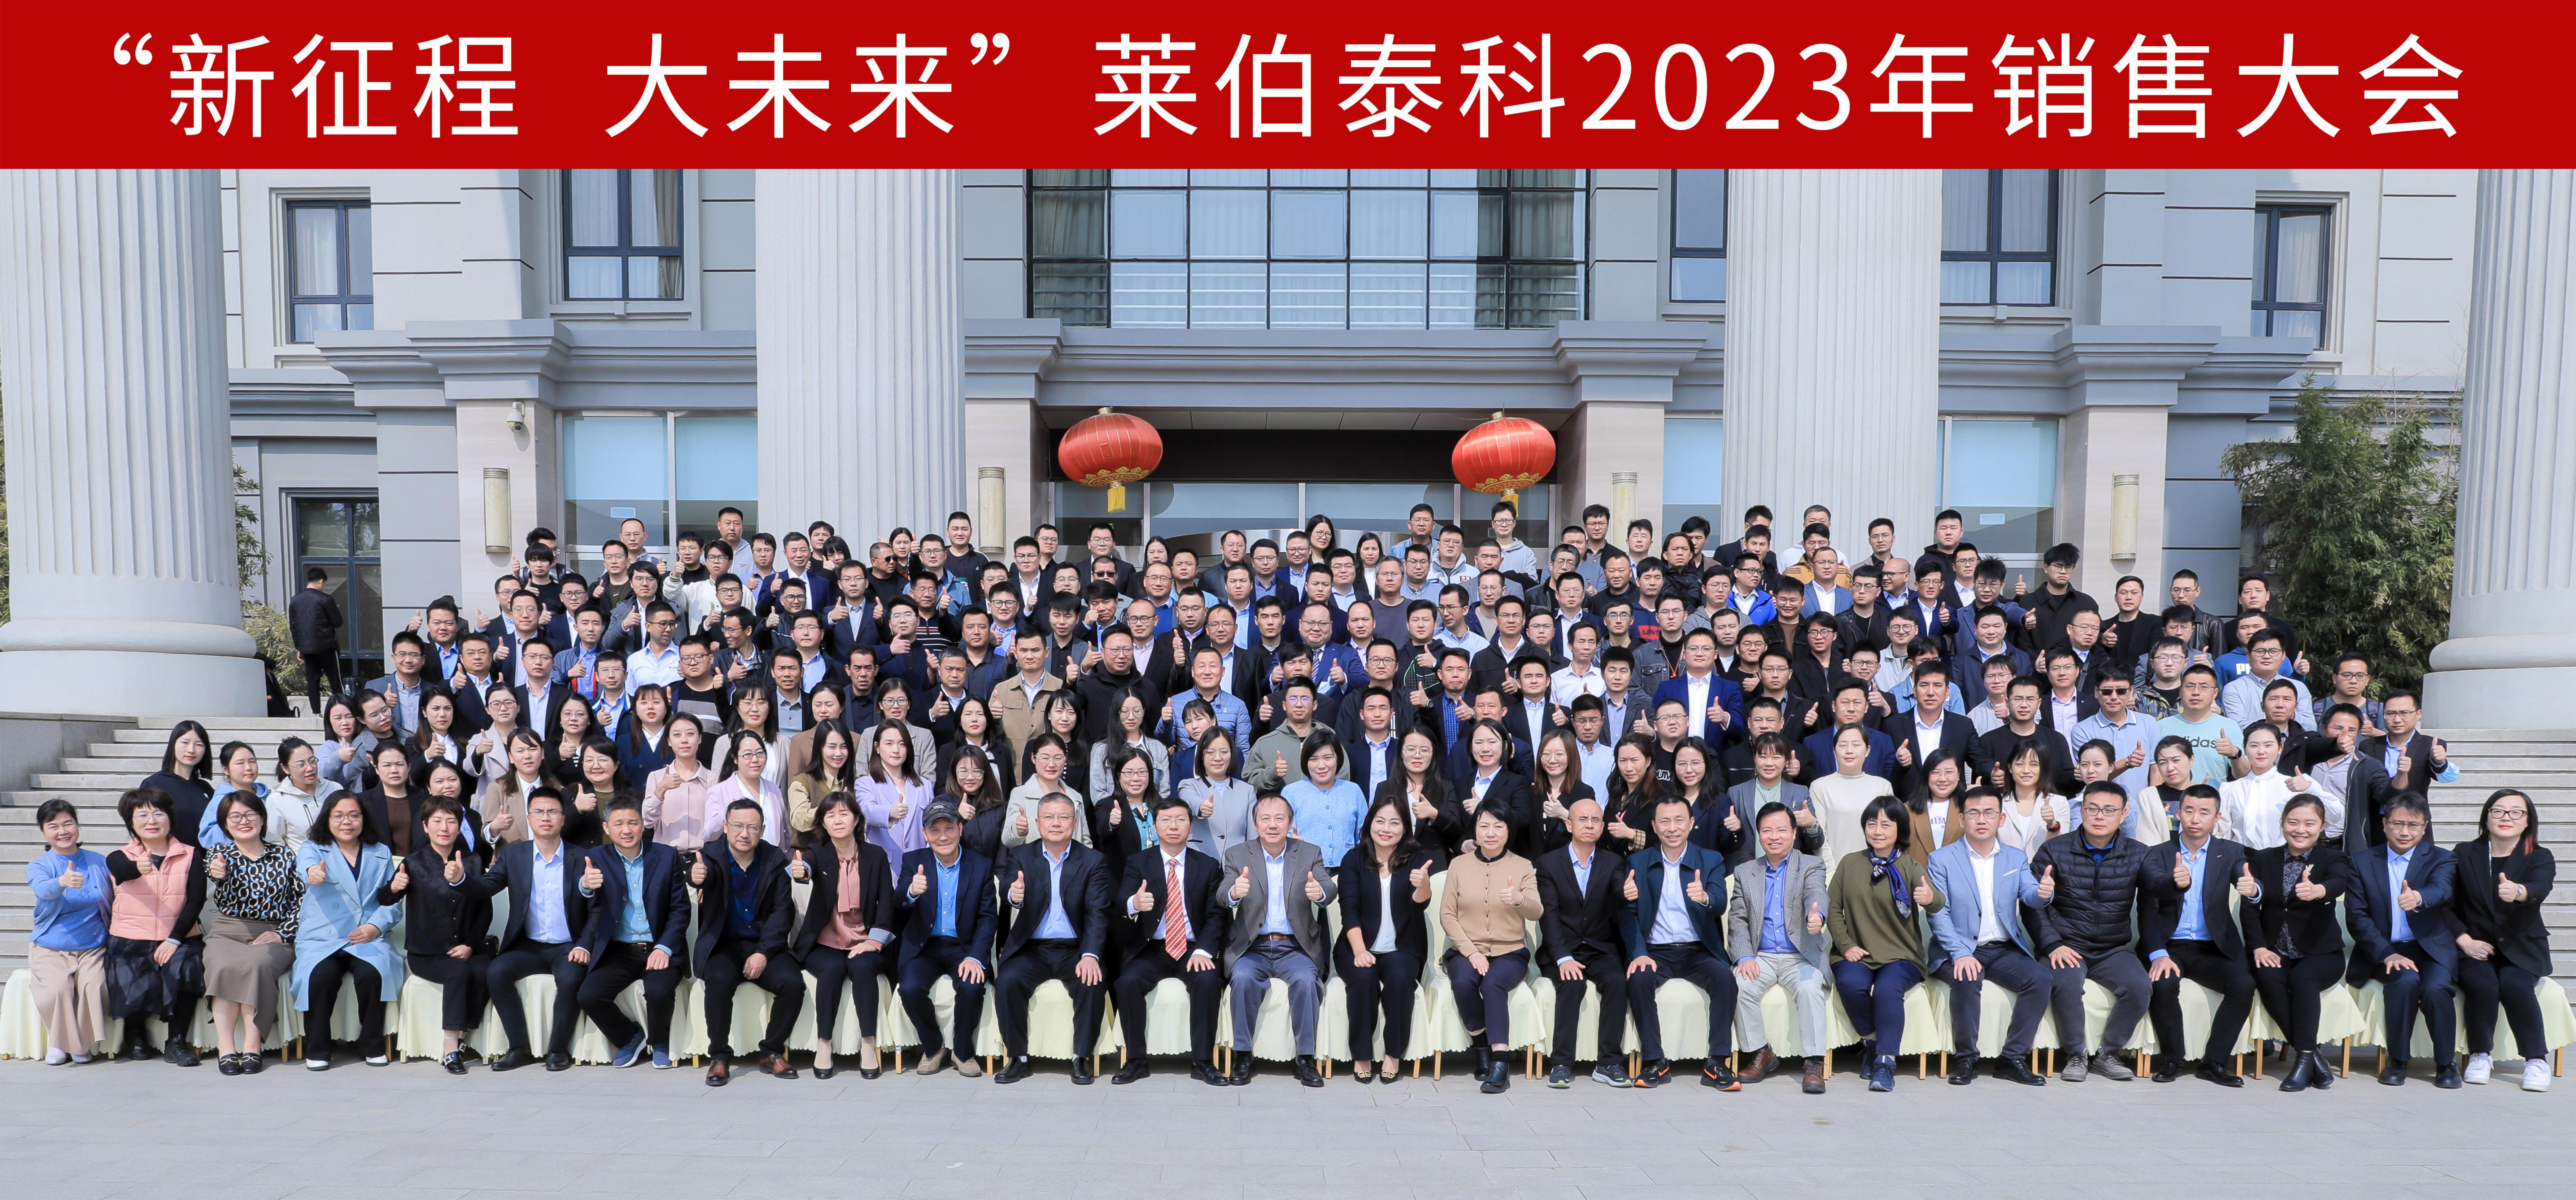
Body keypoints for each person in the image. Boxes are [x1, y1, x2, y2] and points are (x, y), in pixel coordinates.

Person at [462, 787, 597, 1072]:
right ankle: (519, 1048)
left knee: (572, 979)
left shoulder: (583, 857)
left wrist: (584, 944)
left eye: (553, 812)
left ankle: (558, 1050)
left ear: (563, 818)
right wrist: (462, 880)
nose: (545, 817)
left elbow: (598, 909)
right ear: (529, 817)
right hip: (529, 945)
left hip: (568, 945)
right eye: (539, 812)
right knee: (496, 972)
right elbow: (487, 886)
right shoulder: (514, 855)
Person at [2030, 780, 2157, 1083]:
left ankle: (2108, 1054)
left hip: (2112, 948)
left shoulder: (2138, 853)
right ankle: (2076, 1054)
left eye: (2109, 810)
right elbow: (2032, 906)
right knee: (2066, 984)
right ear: (2082, 811)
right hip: (2066, 943)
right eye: (2093, 809)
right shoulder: (2054, 849)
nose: (2100, 816)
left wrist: (2178, 883)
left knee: (2140, 987)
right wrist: (2052, 944)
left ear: (2123, 814)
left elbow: (2157, 885)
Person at [1925, 787, 2053, 1086]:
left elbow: (2030, 895)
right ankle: (1966, 1058)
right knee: (1967, 975)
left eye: (1989, 813)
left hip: (2003, 949)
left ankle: (2012, 1059)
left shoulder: (2015, 857)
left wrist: (2044, 893)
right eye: (1973, 813)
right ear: (1961, 819)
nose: (1981, 820)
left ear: (2001, 819)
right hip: (1958, 947)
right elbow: (1938, 913)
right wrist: (1960, 953)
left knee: (2040, 978)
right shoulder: (1941, 859)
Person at [1109, 795, 1233, 1086]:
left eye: (1180, 820)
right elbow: (1122, 899)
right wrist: (1135, 903)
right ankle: (1136, 1061)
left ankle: (1203, 1061)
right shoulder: (1139, 862)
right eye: (1166, 820)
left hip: (1193, 949)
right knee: (1127, 983)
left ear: (1191, 826)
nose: (1173, 826)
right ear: (1155, 826)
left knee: (1208, 982)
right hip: (1152, 948)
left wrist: (1204, 950)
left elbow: (1216, 916)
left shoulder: (1208, 865)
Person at [2140, 784, 2260, 1086]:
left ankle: (2214, 1062)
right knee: (2163, 984)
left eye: (2204, 812)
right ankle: (2171, 1060)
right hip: (2169, 946)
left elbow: (2246, 879)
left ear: (2216, 817)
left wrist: (2253, 890)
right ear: (2178, 813)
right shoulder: (2157, 854)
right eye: (2189, 810)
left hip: (2211, 948)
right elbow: (2147, 909)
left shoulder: (2230, 852)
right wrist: (2158, 954)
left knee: (2244, 984)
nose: (2195, 819)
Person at [1622, 793, 1742, 1091]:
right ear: (1654, 826)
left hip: (1698, 951)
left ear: (1691, 823)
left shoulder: (1710, 859)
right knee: (1638, 979)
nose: (1672, 828)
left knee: (1725, 979)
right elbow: (1628, 914)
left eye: (1679, 820)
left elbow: (1720, 902)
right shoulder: (1638, 861)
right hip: (1656, 951)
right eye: (1665, 822)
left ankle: (1717, 1062)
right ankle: (1655, 1062)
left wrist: (1704, 897)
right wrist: (1639, 953)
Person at [1219, 793, 1338, 1087]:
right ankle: (1243, 1055)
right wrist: (1235, 892)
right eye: (1265, 818)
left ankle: (1305, 1059)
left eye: (1279, 818)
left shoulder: (1309, 852)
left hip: (1295, 947)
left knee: (1306, 981)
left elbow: (1328, 887)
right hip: (1252, 947)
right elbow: (1223, 893)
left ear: (1290, 823)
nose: (1272, 825)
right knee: (1243, 979)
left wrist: (1320, 894)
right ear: (1255, 824)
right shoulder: (1237, 854)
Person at [995, 793, 1113, 1084]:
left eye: (1063, 817)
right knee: (1008, 980)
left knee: (1091, 981)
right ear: (1038, 823)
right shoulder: (1022, 855)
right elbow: (1009, 886)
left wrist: (1090, 955)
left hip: (1075, 948)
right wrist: (1014, 895)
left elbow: (1097, 912)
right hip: (1031, 948)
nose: (1056, 823)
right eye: (1049, 817)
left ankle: (1081, 1056)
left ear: (1075, 822)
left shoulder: (1093, 860)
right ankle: (1018, 1058)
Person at [2345, 792, 2461, 1087]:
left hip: (2430, 949)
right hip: (2386, 949)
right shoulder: (2361, 861)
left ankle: (2446, 1064)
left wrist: (2419, 897)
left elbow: (2442, 889)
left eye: (2413, 825)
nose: (2404, 832)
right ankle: (2397, 1060)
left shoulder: (2442, 858)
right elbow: (2357, 917)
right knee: (2405, 981)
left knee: (2435, 989)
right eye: (2397, 824)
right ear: (2384, 824)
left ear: (2424, 827)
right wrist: (2386, 954)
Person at [1828, 796, 1943, 1092]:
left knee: (1887, 990)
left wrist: (1929, 898)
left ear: (1899, 829)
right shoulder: (1850, 863)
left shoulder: (1909, 865)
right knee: (1851, 984)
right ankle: (1872, 1041)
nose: (1878, 831)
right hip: (1858, 951)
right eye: (1872, 823)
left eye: (1886, 824)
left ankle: (1885, 1062)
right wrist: (1846, 945)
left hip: (1901, 955)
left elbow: (1937, 900)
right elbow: (1833, 909)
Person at [689, 798, 806, 1085]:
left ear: (762, 830)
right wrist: (696, 879)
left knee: (793, 984)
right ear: (725, 826)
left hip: (764, 945)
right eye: (738, 826)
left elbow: (783, 912)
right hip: (723, 945)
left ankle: (771, 1051)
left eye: (753, 828)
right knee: (718, 982)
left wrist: (763, 953)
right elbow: (702, 876)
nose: (745, 834)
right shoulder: (711, 857)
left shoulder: (774, 859)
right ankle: (719, 1057)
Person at [290, 791, 404, 1071]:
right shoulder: (314, 847)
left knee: (372, 974)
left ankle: (373, 1045)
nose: (347, 822)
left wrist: (375, 926)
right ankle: (318, 1049)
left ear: (364, 819)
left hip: (365, 935)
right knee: (320, 977)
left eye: (354, 815)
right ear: (327, 819)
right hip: (322, 937)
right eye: (339, 816)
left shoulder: (380, 852)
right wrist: (313, 874)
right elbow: (306, 867)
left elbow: (392, 899)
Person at [2451, 788, 2555, 1092]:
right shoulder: (2464, 853)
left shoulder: (2539, 856)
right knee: (2482, 984)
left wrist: (2519, 892)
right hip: (2475, 946)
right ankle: (2480, 1054)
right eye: (2498, 811)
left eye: (2515, 812)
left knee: (2514, 984)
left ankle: (2536, 1060)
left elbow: (2540, 887)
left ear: (2527, 821)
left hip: (2521, 947)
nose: (2506, 817)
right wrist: (2464, 940)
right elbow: (2446, 905)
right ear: (2487, 817)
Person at [378, 794, 491, 1074]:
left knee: (486, 971)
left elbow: (484, 911)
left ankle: (463, 1036)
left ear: (459, 827)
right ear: (425, 826)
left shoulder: (473, 861)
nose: (444, 827)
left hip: (465, 948)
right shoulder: (413, 863)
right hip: (427, 953)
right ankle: (450, 1048)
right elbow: (386, 899)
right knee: (458, 973)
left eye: (451, 821)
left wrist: (470, 945)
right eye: (437, 821)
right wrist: (394, 887)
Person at [1726, 801, 1834, 1093]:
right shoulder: (1746, 871)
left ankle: (1814, 1063)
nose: (1774, 836)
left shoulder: (1810, 865)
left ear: (1794, 832)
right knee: (1738, 984)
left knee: (1809, 989)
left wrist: (1817, 916)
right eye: (1767, 830)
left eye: (1781, 830)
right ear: (1758, 834)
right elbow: (1738, 919)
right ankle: (1761, 1053)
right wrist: (1745, 957)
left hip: (1800, 954)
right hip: (1761, 955)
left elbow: (1816, 894)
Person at [2244, 794, 2349, 1092]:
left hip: (2321, 953)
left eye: (2309, 823)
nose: (2300, 830)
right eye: (2293, 822)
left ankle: (2303, 1062)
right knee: (2266, 977)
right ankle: (2313, 1057)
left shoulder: (2333, 858)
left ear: (2322, 826)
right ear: (2283, 823)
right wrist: (2258, 947)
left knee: (2303, 978)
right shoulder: (2264, 858)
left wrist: (2319, 891)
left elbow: (2340, 881)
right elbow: (2250, 908)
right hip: (2275, 950)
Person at [100, 788, 209, 1065]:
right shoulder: (119, 856)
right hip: (130, 937)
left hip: (179, 936)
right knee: (133, 971)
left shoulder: (191, 855)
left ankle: (177, 1042)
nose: (152, 821)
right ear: (131, 822)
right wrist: (139, 867)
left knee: (187, 965)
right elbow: (122, 872)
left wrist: (174, 939)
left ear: (170, 817)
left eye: (159, 813)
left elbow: (195, 901)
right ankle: (135, 1034)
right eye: (142, 815)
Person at [1438, 805, 1542, 1095]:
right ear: (1475, 830)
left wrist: (1520, 899)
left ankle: (1500, 1064)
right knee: (1463, 981)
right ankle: (1481, 1046)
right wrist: (1472, 952)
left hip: (1510, 951)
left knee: (1493, 983)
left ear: (1509, 830)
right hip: (1466, 949)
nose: (1491, 833)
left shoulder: (1523, 866)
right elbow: (1447, 915)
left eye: (1498, 826)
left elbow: (1536, 911)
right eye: (1484, 826)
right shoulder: (1459, 865)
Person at [1337, 796, 1439, 1084]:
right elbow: (1349, 910)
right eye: (1380, 821)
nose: (1386, 828)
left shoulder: (1415, 859)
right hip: (1356, 946)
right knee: (1363, 979)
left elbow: (1419, 903)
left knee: (1400, 978)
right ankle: (1362, 1055)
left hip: (1402, 947)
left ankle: (1393, 1054)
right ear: (1369, 823)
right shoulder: (1354, 859)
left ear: (1405, 828)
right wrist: (1360, 951)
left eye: (1395, 823)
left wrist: (1424, 885)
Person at [202, 791, 305, 1074]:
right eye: (235, 816)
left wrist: (283, 933)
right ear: (225, 824)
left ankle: (252, 1044)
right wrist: (218, 872)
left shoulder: (284, 855)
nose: (244, 821)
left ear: (262, 819)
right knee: (223, 965)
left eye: (250, 814)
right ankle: (226, 1047)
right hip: (227, 932)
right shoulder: (219, 855)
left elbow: (302, 901)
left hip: (274, 934)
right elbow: (215, 872)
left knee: (256, 964)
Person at [794, 792, 895, 1079]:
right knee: (833, 968)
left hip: (866, 939)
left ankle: (868, 1044)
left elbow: (887, 902)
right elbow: (806, 868)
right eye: (830, 815)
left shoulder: (875, 855)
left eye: (844, 814)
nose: (837, 820)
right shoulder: (817, 852)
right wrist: (801, 871)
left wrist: (874, 942)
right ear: (823, 823)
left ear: (857, 819)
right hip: (825, 942)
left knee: (862, 969)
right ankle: (823, 1044)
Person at [895, 799, 998, 1079]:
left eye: (949, 828)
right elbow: (898, 901)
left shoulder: (981, 865)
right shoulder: (913, 861)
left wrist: (976, 956)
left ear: (960, 829)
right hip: (924, 947)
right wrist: (911, 892)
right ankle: (933, 1048)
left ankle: (963, 1052)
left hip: (963, 947)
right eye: (935, 830)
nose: (943, 837)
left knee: (972, 986)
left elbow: (988, 918)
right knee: (910, 988)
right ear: (925, 834)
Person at [1536, 796, 1633, 1088]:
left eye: (1595, 820)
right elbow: (1549, 916)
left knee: (1617, 981)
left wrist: (1627, 892)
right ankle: (1561, 1064)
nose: (1589, 825)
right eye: (1583, 819)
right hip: (1562, 949)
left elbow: (1618, 889)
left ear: (1602, 827)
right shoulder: (1548, 864)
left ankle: (1609, 1063)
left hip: (1600, 948)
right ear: (1569, 825)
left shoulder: (1613, 862)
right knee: (1573, 984)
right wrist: (1563, 957)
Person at [25, 799, 113, 1065]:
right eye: (53, 826)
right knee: (57, 988)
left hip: (93, 947)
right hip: (51, 947)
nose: (63, 831)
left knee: (95, 986)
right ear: (43, 831)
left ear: (77, 826)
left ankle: (79, 1043)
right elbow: (43, 889)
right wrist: (61, 882)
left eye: (68, 824)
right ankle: (60, 1043)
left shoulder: (99, 862)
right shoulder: (40, 866)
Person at [1808, 724, 1895, 866]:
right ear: (1834, 751)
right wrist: (1831, 871)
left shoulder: (1883, 786)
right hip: (1835, 870)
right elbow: (1820, 834)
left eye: (1856, 745)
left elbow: (1887, 832)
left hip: (1876, 868)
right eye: (1843, 745)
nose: (1849, 751)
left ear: (1868, 750)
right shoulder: (1820, 787)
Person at [1281, 730, 1368, 869]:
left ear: (1338, 759)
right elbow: (1284, 834)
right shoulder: (1291, 793)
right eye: (1314, 759)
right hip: (1306, 870)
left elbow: (1364, 835)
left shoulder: (1353, 791)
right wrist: (1290, 841)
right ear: (1306, 762)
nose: (1321, 765)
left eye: (1328, 758)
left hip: (1348, 870)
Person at [853, 720, 931, 864]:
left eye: (902, 744)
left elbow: (931, 825)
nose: (896, 750)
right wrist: (890, 813)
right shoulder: (866, 783)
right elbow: (867, 812)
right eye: (889, 744)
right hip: (884, 865)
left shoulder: (925, 785)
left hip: (919, 864)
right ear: (877, 747)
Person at [1179, 728, 1256, 857]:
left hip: (1237, 862)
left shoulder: (1247, 790)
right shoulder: (1189, 785)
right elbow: (1190, 799)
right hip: (1199, 860)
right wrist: (1201, 807)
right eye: (1210, 752)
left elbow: (1253, 835)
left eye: (1224, 752)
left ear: (1232, 755)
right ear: (1202, 756)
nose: (1218, 758)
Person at [140, 721, 215, 849]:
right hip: (170, 858)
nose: (191, 750)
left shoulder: (205, 788)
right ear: (173, 745)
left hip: (204, 858)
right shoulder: (154, 784)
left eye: (199, 745)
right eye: (185, 743)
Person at [785, 719, 856, 848]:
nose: (839, 753)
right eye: (832, 747)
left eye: (844, 747)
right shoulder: (803, 782)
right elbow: (798, 820)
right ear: (820, 748)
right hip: (809, 856)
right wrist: (831, 807)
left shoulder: (853, 784)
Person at [289, 565, 348, 712]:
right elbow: (338, 622)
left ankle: (316, 713)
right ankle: (343, 709)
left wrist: (299, 648)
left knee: (313, 682)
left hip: (307, 649)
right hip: (327, 647)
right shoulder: (325, 599)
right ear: (321, 581)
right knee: (335, 681)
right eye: (324, 584)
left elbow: (294, 627)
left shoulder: (295, 601)